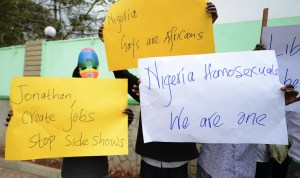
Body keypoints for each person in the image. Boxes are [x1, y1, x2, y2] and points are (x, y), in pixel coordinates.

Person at [98, 2, 218, 178]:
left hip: (179, 164)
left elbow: (198, 58)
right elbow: (121, 73)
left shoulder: (189, 88)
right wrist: (110, 43)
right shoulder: (144, 89)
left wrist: (205, 23)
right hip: (149, 163)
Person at [5, 48, 134, 178]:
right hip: (72, 172)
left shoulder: (104, 102)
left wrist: (124, 120)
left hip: (98, 171)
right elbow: (43, 121)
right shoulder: (63, 104)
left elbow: (110, 132)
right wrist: (18, 118)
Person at [197, 45, 300, 178]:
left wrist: (280, 105)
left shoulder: (267, 100)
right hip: (211, 168)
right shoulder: (219, 87)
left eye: (266, 71)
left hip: (243, 170)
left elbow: (270, 129)